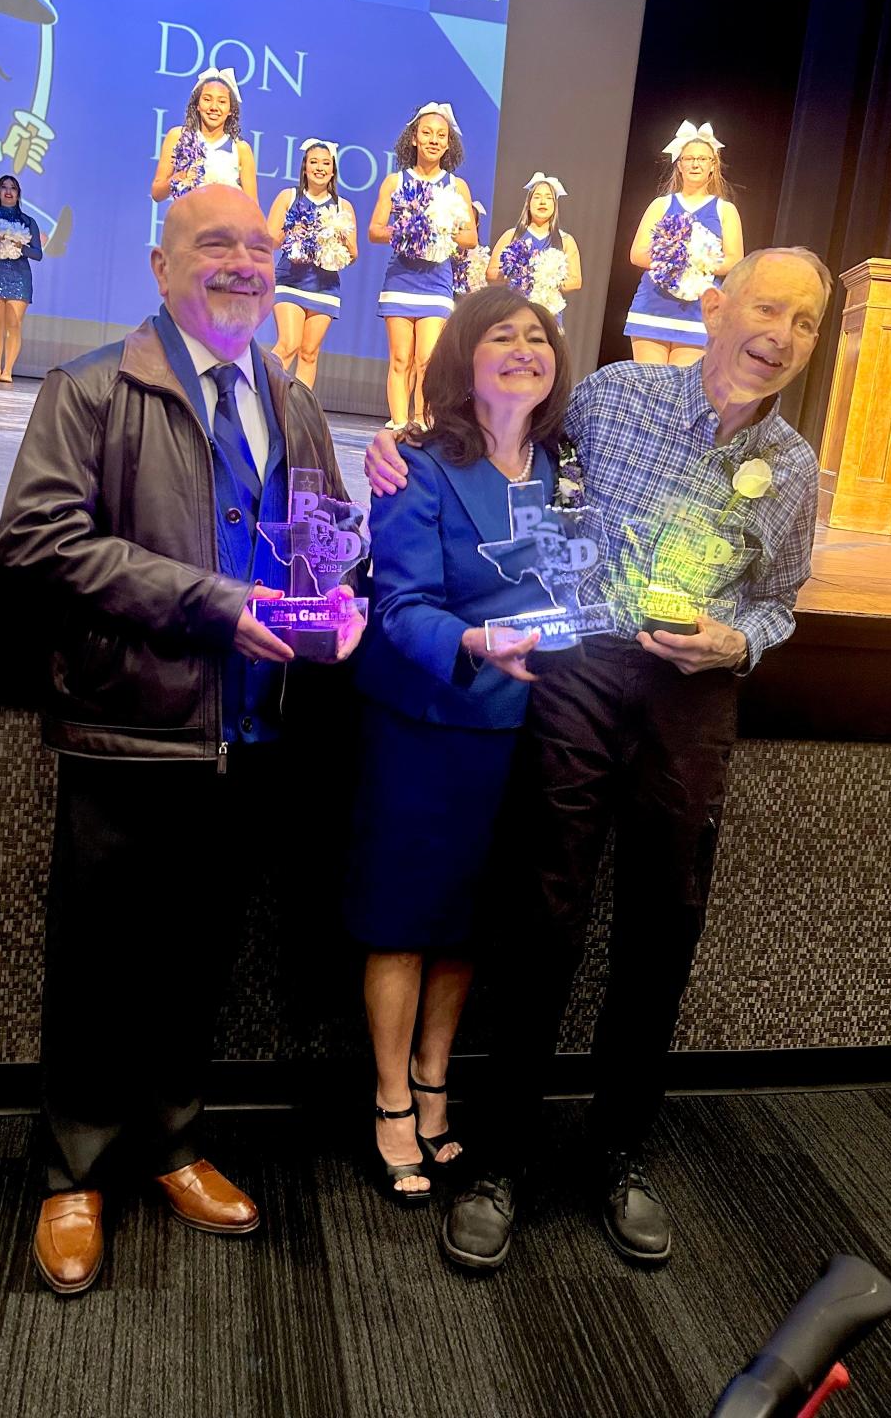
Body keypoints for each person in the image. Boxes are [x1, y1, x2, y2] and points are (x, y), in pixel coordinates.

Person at [366, 247, 832, 1270]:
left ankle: (620, 1152)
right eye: (766, 308)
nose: (781, 334)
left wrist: (738, 642)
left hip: (693, 696)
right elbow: (498, 429)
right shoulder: (615, 395)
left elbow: (780, 598)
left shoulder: (797, 468)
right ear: (715, 307)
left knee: (664, 925)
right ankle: (501, 1162)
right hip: (582, 672)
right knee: (542, 915)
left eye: (804, 321)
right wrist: (402, 447)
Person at [0, 181, 364, 1298]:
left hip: (251, 741)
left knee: (198, 960)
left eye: (260, 245)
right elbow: (36, 539)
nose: (246, 261)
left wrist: (341, 592)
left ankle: (171, 1142)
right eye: (217, 243)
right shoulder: (93, 387)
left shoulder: (291, 401)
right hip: (130, 732)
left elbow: (325, 540)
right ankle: (73, 1170)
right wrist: (210, 602)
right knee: (101, 960)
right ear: (161, 266)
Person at [347, 285, 571, 1203]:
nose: (524, 350)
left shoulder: (569, 467)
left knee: (469, 923)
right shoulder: (420, 463)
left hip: (531, 732)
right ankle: (392, 1097)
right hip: (430, 725)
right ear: (462, 361)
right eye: (501, 338)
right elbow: (398, 608)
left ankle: (438, 1077)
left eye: (538, 338)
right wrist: (476, 644)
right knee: (406, 916)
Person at [369, 103, 477, 430]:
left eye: (440, 135)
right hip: (400, 280)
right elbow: (374, 230)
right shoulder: (394, 181)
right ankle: (400, 425)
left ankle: (422, 423)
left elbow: (470, 237)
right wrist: (406, 230)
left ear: (448, 144)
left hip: (436, 283)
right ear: (413, 138)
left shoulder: (457, 187)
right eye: (427, 133)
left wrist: (438, 229)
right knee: (400, 359)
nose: (433, 140)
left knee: (426, 361)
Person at [625, 121, 743, 364]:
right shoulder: (661, 205)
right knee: (649, 385)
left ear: (713, 166)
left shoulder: (725, 210)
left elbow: (735, 261)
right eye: (689, 159)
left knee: (680, 390)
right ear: (679, 165)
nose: (695, 163)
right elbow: (637, 254)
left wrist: (696, 260)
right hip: (653, 306)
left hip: (699, 311)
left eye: (702, 159)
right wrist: (673, 258)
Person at [269, 138, 358, 390]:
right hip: (290, 282)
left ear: (333, 170)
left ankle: (299, 408)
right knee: (288, 344)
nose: (320, 167)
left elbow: (353, 254)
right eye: (314, 162)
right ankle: (265, 395)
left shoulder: (343, 206)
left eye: (326, 163)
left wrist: (339, 239)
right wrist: (292, 229)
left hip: (325, 288)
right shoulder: (289, 197)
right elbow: (270, 240)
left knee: (309, 352)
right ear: (305, 167)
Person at [151, 67, 258, 205]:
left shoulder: (241, 149)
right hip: (187, 223)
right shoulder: (178, 136)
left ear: (231, 109)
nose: (214, 107)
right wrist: (180, 177)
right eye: (207, 99)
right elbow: (156, 193)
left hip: (224, 225)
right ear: (197, 105)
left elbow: (252, 207)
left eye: (222, 101)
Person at [487, 174, 582, 327]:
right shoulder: (511, 235)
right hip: (513, 310)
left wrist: (547, 277)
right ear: (529, 203)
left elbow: (576, 281)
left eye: (548, 197)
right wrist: (518, 275)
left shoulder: (566, 240)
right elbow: (490, 274)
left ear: (555, 205)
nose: (542, 201)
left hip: (549, 315)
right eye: (537, 197)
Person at [0, 174, 42, 383]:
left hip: (19, 276)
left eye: (13, 188)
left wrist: (21, 248)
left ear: (18, 193)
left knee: (13, 325)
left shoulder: (29, 222)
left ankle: (8, 371)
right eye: (4, 187)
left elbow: (38, 254)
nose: (8, 191)